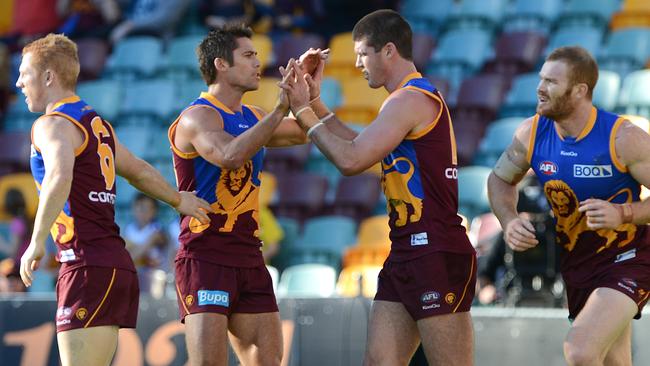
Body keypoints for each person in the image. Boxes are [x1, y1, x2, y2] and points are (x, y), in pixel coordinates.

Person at [279, 9, 476, 366]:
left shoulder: (409, 99)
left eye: (362, 53)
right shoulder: (404, 99)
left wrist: (302, 112)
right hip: (406, 249)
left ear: (388, 51)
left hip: (435, 250)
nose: (356, 64)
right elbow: (362, 146)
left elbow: (352, 160)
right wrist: (313, 102)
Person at [15, 33, 212, 366]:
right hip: (110, 263)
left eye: (25, 73)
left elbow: (59, 176)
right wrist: (178, 200)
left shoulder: (51, 124)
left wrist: (34, 242)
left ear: (48, 77)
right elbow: (138, 170)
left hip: (85, 263)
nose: (19, 82)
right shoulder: (96, 124)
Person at [487, 46, 650, 365]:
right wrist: (508, 220)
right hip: (578, 261)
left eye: (551, 81)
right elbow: (499, 180)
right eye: (540, 79)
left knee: (580, 350)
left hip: (628, 257)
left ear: (579, 91)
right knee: (614, 360)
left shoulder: (623, 138)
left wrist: (623, 213)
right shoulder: (531, 133)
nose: (540, 88)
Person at [168, 24, 309, 365]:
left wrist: (307, 92)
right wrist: (279, 110)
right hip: (205, 257)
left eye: (257, 55)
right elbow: (230, 156)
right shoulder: (196, 117)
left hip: (249, 256)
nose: (257, 62)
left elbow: (305, 133)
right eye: (248, 55)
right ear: (221, 64)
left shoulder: (252, 116)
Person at [124, 193, 169, 292]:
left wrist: (134, 249)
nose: (142, 212)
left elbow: (131, 257)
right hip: (135, 275)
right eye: (139, 207)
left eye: (146, 209)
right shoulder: (129, 229)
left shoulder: (157, 230)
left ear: (154, 211)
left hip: (155, 277)